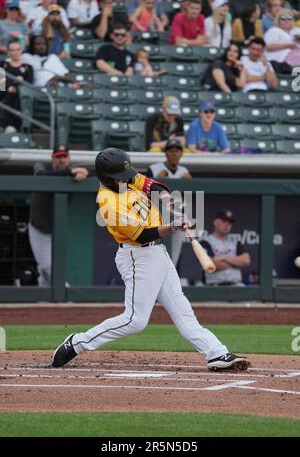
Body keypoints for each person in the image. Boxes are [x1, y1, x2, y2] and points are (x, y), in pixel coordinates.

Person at [52, 147, 249, 372]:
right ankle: (76, 343)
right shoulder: (108, 202)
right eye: (121, 177)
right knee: (135, 320)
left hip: (157, 254)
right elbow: (142, 234)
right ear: (107, 178)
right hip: (138, 256)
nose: (128, 179)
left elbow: (154, 186)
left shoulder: (123, 179)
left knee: (183, 311)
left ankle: (216, 353)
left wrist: (172, 205)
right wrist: (173, 225)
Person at [29, 144, 89, 287]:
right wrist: (70, 172)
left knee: (48, 270)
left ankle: (41, 301)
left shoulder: (73, 171)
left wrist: (85, 172)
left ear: (68, 158)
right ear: (52, 158)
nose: (61, 160)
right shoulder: (42, 166)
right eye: (58, 157)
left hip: (57, 230)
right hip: (39, 229)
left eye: (64, 157)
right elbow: (40, 175)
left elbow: (93, 172)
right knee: (47, 267)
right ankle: (66, 294)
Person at [146, 138, 191, 268]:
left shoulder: (184, 171)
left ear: (181, 154)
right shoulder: (154, 169)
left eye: (177, 151)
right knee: (153, 253)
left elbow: (191, 197)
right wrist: (156, 179)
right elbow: (143, 191)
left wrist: (189, 182)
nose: (174, 153)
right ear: (165, 153)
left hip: (176, 217)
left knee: (173, 258)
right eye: (171, 150)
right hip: (156, 218)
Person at [201, 210, 251, 286]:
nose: (227, 225)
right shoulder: (205, 242)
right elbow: (210, 265)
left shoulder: (236, 242)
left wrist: (223, 258)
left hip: (236, 285)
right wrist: (235, 262)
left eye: (230, 223)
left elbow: (246, 261)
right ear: (215, 222)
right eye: (224, 221)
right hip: (214, 286)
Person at [0, 39, 33, 133]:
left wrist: (16, 86)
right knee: (11, 92)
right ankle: (9, 125)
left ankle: (14, 127)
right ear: (8, 52)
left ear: (22, 50)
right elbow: (1, 84)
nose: (16, 52)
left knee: (19, 94)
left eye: (18, 49)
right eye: (12, 50)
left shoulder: (28, 67)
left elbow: (29, 83)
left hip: (21, 93)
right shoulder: (2, 65)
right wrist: (14, 83)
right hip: (3, 92)